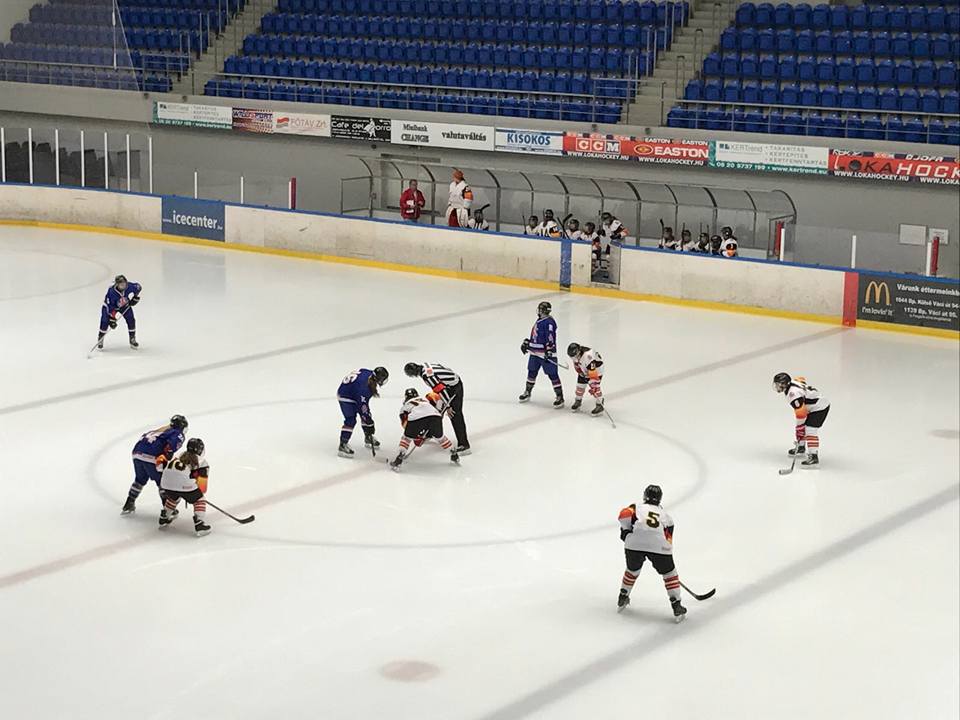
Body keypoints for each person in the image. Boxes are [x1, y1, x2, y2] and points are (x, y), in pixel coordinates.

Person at [616, 484, 687, 622]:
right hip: (659, 545)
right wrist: (664, 553)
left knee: (632, 570)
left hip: (635, 544)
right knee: (669, 574)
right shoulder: (665, 515)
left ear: (645, 496)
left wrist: (626, 531)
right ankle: (676, 604)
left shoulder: (636, 507)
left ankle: (623, 596)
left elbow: (623, 515)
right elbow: (669, 536)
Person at [121, 414, 189, 515]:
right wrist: (166, 460)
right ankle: (167, 509)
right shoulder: (177, 433)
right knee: (162, 481)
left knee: (139, 480)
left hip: (137, 454)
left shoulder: (160, 430)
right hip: (151, 456)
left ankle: (129, 503)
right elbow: (170, 447)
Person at [404, 362, 469, 454]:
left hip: (454, 388)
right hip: (451, 385)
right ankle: (431, 433)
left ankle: (464, 445)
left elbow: (440, 390)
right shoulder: (426, 365)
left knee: (454, 414)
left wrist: (448, 406)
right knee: (435, 410)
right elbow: (445, 369)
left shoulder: (427, 376)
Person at [389, 389, 460, 472]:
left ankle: (399, 458)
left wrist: (416, 436)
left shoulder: (405, 407)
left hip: (416, 418)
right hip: (436, 416)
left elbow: (405, 424)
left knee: (406, 438)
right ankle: (453, 453)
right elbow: (437, 402)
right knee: (440, 437)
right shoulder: (425, 400)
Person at [773, 372, 830, 467]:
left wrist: (799, 428)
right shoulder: (793, 382)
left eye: (779, 384)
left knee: (809, 430)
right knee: (802, 427)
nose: (777, 387)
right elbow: (801, 379)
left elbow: (802, 414)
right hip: (813, 406)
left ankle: (814, 457)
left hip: (820, 408)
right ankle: (801, 447)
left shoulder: (793, 394)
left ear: (785, 384)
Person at [158, 438, 211, 537]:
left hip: (165, 484)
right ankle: (199, 523)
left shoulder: (179, 455)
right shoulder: (202, 461)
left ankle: (164, 516)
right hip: (184, 485)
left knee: (174, 497)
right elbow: (203, 488)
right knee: (200, 499)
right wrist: (194, 490)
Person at [336, 367, 389, 458]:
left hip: (352, 391)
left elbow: (364, 408)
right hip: (345, 396)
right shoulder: (364, 389)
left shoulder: (368, 373)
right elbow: (363, 409)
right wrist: (369, 423)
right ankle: (343, 444)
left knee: (366, 415)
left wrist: (368, 420)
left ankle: (368, 437)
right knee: (351, 420)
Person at [519, 301, 564, 407]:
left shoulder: (549, 322)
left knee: (552, 374)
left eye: (540, 309)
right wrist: (528, 343)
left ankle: (560, 396)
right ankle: (527, 392)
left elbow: (550, 337)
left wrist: (549, 349)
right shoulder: (540, 320)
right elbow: (537, 336)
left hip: (546, 354)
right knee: (532, 372)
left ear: (543, 310)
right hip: (535, 353)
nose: (538, 311)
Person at [97, 274, 141, 350]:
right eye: (121, 285)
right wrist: (112, 319)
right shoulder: (111, 292)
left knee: (131, 319)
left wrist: (135, 297)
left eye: (124, 284)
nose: (124, 286)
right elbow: (110, 308)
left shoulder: (129, 286)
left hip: (124, 306)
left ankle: (132, 338)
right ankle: (100, 338)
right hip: (109, 307)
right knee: (105, 321)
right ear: (117, 285)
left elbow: (139, 287)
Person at [567, 343, 605, 416]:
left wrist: (593, 384)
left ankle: (599, 404)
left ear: (578, 352)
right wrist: (580, 372)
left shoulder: (588, 356)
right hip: (584, 368)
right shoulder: (575, 355)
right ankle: (578, 400)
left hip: (597, 370)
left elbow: (593, 371)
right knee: (579, 386)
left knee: (595, 389)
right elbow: (577, 365)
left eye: (574, 356)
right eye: (571, 357)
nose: (573, 358)